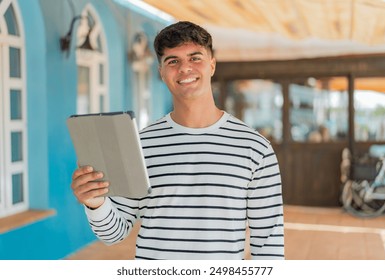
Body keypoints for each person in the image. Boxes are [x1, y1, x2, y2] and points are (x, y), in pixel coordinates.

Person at [71, 21, 284, 260]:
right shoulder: (140, 145)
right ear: (161, 72)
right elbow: (114, 233)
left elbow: (269, 245)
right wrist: (95, 202)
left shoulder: (255, 148)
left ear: (212, 65)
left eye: (195, 58)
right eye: (173, 61)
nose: (185, 68)